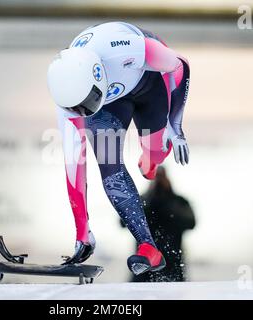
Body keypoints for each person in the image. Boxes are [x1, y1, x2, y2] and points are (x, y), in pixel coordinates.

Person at [47, 22, 191, 275]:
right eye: (80, 108)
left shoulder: (121, 49)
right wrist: (83, 232)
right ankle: (149, 247)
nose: (84, 111)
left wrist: (175, 125)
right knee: (110, 168)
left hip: (150, 83)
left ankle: (150, 160)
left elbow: (180, 65)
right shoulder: (67, 104)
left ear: (98, 73)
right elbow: (75, 169)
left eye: (88, 102)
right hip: (110, 105)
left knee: (156, 151)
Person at [130, 166, 195, 282]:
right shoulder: (143, 201)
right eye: (156, 177)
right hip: (145, 265)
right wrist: (148, 204)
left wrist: (168, 206)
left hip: (172, 264)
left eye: (161, 177)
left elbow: (191, 222)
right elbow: (123, 222)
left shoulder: (178, 201)